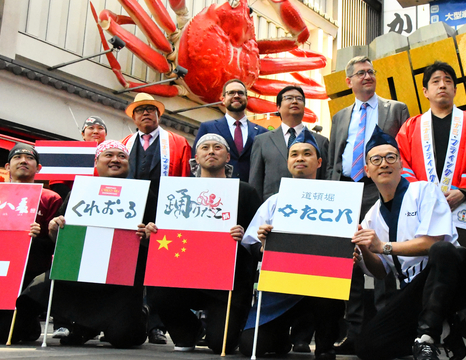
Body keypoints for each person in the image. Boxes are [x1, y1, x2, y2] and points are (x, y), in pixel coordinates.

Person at [353, 126, 466, 360]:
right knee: (367, 346)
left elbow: (432, 243)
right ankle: (447, 337)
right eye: (376, 159)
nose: (384, 164)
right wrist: (364, 248)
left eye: (391, 157)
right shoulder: (371, 215)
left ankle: (427, 338)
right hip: (415, 290)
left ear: (401, 164)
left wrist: (383, 246)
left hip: (456, 279)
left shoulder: (424, 191)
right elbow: (381, 272)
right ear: (367, 170)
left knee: (443, 250)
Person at [395, 61, 466, 358]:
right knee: (427, 271)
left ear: (454, 88)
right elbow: (403, 165)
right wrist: (427, 198)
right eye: (435, 81)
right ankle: (428, 335)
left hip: (463, 207)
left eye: (447, 80)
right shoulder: (411, 126)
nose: (442, 85)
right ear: (425, 91)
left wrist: (463, 191)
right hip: (423, 213)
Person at [13, 140, 149, 348]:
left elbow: (158, 242)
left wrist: (149, 235)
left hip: (121, 280)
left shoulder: (145, 195)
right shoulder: (79, 192)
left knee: (126, 338)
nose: (115, 159)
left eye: (121, 156)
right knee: (33, 293)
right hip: (79, 270)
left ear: (128, 163)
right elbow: (57, 236)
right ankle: (34, 326)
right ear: (97, 162)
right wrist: (53, 228)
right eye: (108, 155)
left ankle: (129, 315)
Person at [144, 133, 262, 353]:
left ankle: (218, 330)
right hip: (184, 275)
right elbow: (163, 230)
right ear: (195, 157)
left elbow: (258, 239)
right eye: (205, 147)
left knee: (221, 345)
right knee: (158, 291)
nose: (211, 151)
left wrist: (244, 234)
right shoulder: (177, 192)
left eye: (217, 147)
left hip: (229, 281)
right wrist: (153, 231)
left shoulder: (245, 192)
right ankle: (190, 330)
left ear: (228, 156)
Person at [326, 56, 409, 353]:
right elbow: (336, 158)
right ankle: (354, 331)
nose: (367, 76)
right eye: (360, 73)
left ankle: (388, 327)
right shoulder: (339, 116)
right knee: (351, 261)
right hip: (347, 190)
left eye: (371, 72)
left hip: (380, 188)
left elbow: (403, 153)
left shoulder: (395, 109)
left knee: (382, 254)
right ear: (348, 81)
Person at [239, 128, 344, 360]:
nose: (299, 158)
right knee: (249, 347)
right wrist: (263, 245)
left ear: (318, 162)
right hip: (281, 288)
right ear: (287, 162)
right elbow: (251, 243)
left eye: (306, 154)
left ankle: (326, 345)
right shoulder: (274, 202)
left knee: (330, 290)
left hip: (321, 287)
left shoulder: (338, 199)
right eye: (294, 154)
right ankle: (282, 339)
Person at [120, 92, 191, 344]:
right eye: (140, 110)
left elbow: (184, 180)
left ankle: (157, 326)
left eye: (151, 109)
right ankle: (130, 316)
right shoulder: (123, 144)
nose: (146, 113)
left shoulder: (177, 143)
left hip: (163, 213)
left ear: (159, 114)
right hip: (128, 214)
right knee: (129, 268)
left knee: (159, 269)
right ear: (134, 117)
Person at [0, 144, 62, 343]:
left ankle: (24, 323)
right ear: (7, 166)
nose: (23, 161)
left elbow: (56, 245)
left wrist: (39, 237)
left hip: (29, 274)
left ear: (38, 168)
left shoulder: (51, 198)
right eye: (17, 157)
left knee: (9, 331)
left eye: (29, 158)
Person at [249, 85, 329, 202]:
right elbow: (255, 180)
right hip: (273, 207)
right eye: (289, 98)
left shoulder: (321, 141)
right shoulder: (262, 141)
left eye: (299, 99)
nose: (295, 101)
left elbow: (326, 179)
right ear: (278, 107)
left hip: (310, 206)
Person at [193, 79, 268, 182]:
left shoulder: (262, 132)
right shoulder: (208, 128)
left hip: (250, 192)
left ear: (247, 98)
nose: (236, 96)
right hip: (217, 189)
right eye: (231, 93)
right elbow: (195, 163)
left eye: (240, 93)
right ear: (223, 99)